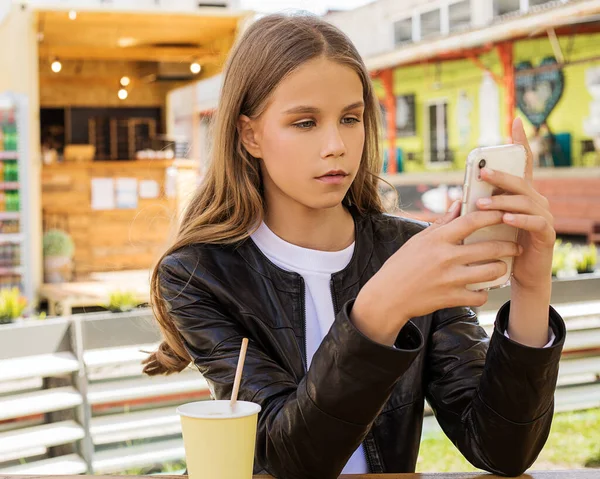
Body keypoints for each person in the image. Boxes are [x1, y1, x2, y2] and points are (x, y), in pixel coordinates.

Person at [143, 13, 564, 479]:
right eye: (305, 122)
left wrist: (530, 284)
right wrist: (384, 305)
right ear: (250, 135)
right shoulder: (200, 275)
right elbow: (288, 460)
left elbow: (502, 450)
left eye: (351, 118)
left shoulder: (412, 251)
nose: (336, 145)